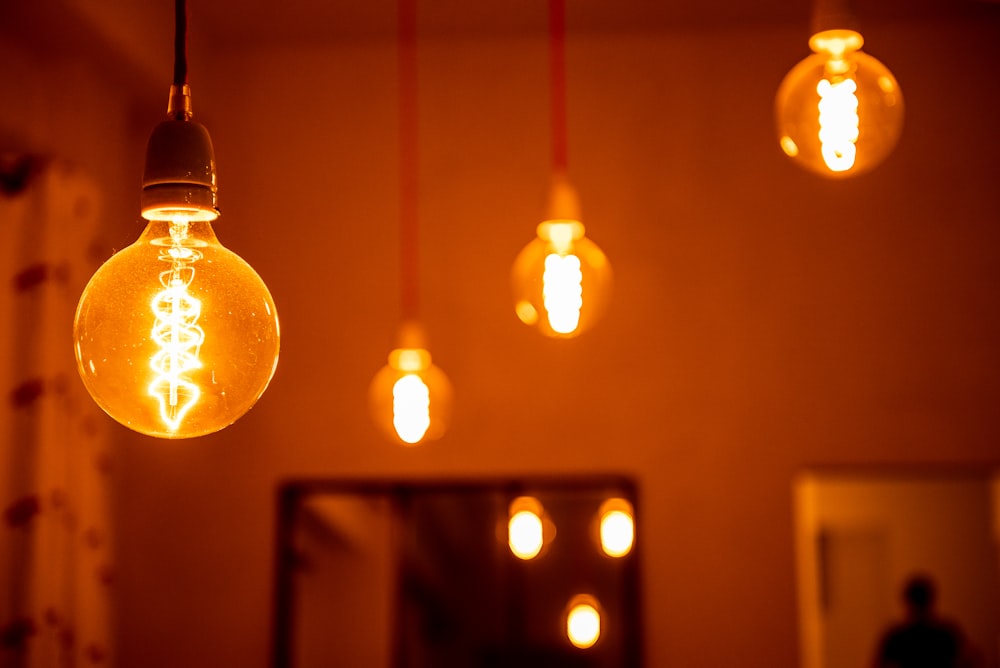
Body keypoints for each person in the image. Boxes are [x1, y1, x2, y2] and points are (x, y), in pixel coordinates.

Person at [872, 574, 979, 668]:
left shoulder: (896, 635)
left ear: (907, 602)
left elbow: (876, 665)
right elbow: (973, 658)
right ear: (931, 601)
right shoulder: (946, 632)